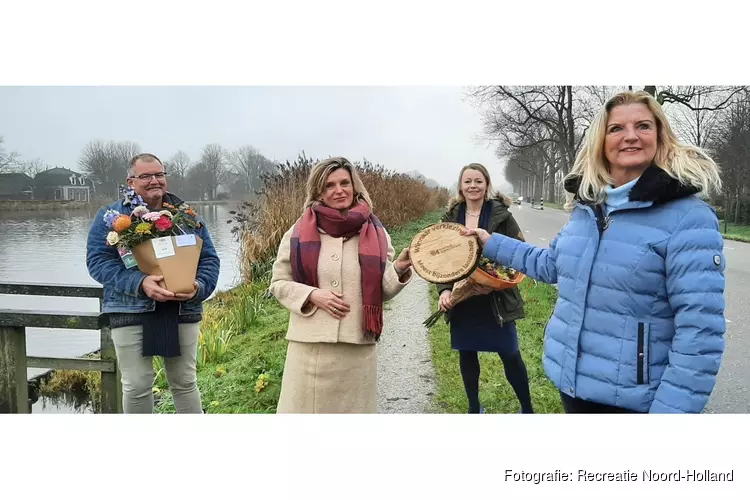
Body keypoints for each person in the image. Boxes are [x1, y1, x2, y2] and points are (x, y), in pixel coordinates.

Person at [464, 90, 726, 413]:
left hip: (635, 403)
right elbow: (551, 265)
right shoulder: (587, 209)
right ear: (601, 141)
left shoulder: (689, 218)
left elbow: (699, 334)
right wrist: (491, 243)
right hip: (573, 387)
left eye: (643, 126)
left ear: (659, 135)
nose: (630, 136)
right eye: (617, 129)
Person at [269, 157, 412, 413]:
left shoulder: (377, 234)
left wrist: (398, 269)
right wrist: (312, 295)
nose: (339, 190)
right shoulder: (297, 232)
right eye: (329, 185)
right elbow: (279, 283)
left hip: (356, 349)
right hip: (309, 350)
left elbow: (380, 291)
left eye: (345, 182)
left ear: (355, 186)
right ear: (319, 192)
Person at [86, 153, 220, 413]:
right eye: (145, 176)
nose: (154, 181)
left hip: (182, 308)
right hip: (129, 310)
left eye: (159, 174)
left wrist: (198, 288)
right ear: (131, 181)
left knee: (185, 382)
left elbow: (210, 259)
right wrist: (140, 282)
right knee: (136, 386)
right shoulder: (110, 216)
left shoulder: (188, 216)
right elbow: (98, 262)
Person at [437, 163, 534, 414]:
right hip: (464, 299)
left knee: (510, 353)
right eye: (468, 181)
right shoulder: (451, 217)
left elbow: (519, 248)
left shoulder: (501, 214)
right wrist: (445, 291)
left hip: (496, 298)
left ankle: (527, 408)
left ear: (487, 184)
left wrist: (496, 279)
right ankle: (473, 408)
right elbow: (441, 260)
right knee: (467, 352)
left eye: (478, 181)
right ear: (460, 186)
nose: (473, 186)